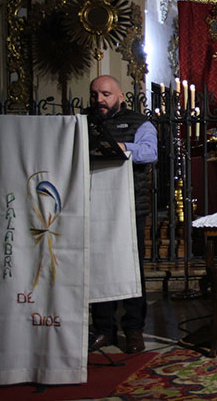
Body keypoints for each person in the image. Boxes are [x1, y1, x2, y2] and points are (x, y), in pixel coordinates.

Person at [86, 75, 157, 354]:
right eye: (95, 94)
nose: (99, 100)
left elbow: (149, 153)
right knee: (98, 268)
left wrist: (124, 148)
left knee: (131, 269)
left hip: (130, 208)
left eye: (105, 94)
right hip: (93, 206)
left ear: (120, 96)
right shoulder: (85, 121)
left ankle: (133, 329)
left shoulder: (140, 123)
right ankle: (104, 329)